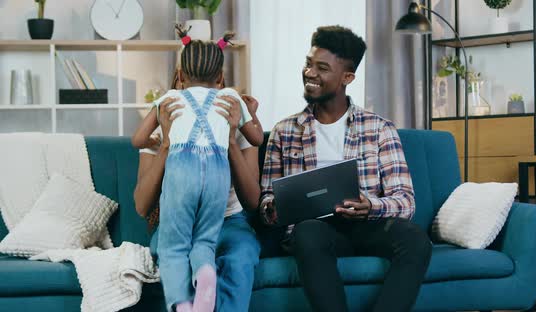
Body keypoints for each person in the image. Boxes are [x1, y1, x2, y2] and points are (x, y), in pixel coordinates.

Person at [259, 25, 432, 312]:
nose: (310, 73)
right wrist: (272, 209)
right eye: (308, 64)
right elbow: (267, 197)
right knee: (307, 233)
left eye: (322, 68)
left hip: (368, 227)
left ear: (347, 77)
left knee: (415, 240)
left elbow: (406, 201)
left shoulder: (379, 128)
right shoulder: (284, 130)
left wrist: (371, 206)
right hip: (316, 231)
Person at [132, 25, 263, 312]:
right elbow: (142, 206)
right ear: (219, 77)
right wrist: (165, 144)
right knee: (190, 250)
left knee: (237, 258)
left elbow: (252, 201)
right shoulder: (168, 117)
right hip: (182, 222)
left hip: (230, 223)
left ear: (181, 76)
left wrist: (229, 140)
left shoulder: (224, 113)